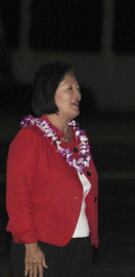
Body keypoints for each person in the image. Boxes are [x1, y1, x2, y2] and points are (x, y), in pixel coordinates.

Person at [6, 61, 99, 277]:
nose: (78, 95)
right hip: (42, 247)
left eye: (78, 88)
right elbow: (18, 198)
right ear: (49, 93)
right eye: (70, 88)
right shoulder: (30, 139)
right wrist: (30, 244)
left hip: (80, 245)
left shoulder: (78, 139)